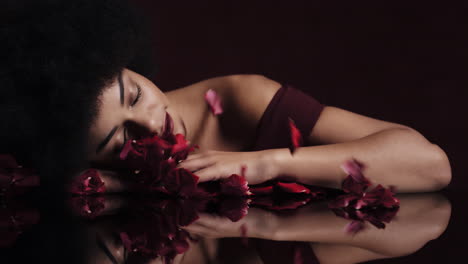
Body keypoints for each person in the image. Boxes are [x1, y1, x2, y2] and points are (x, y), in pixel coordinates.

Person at [0, 0, 451, 192]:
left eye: (135, 96)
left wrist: (263, 163)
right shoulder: (89, 173)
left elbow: (431, 165)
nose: (154, 125)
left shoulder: (237, 99)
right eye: (118, 140)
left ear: (129, 60)